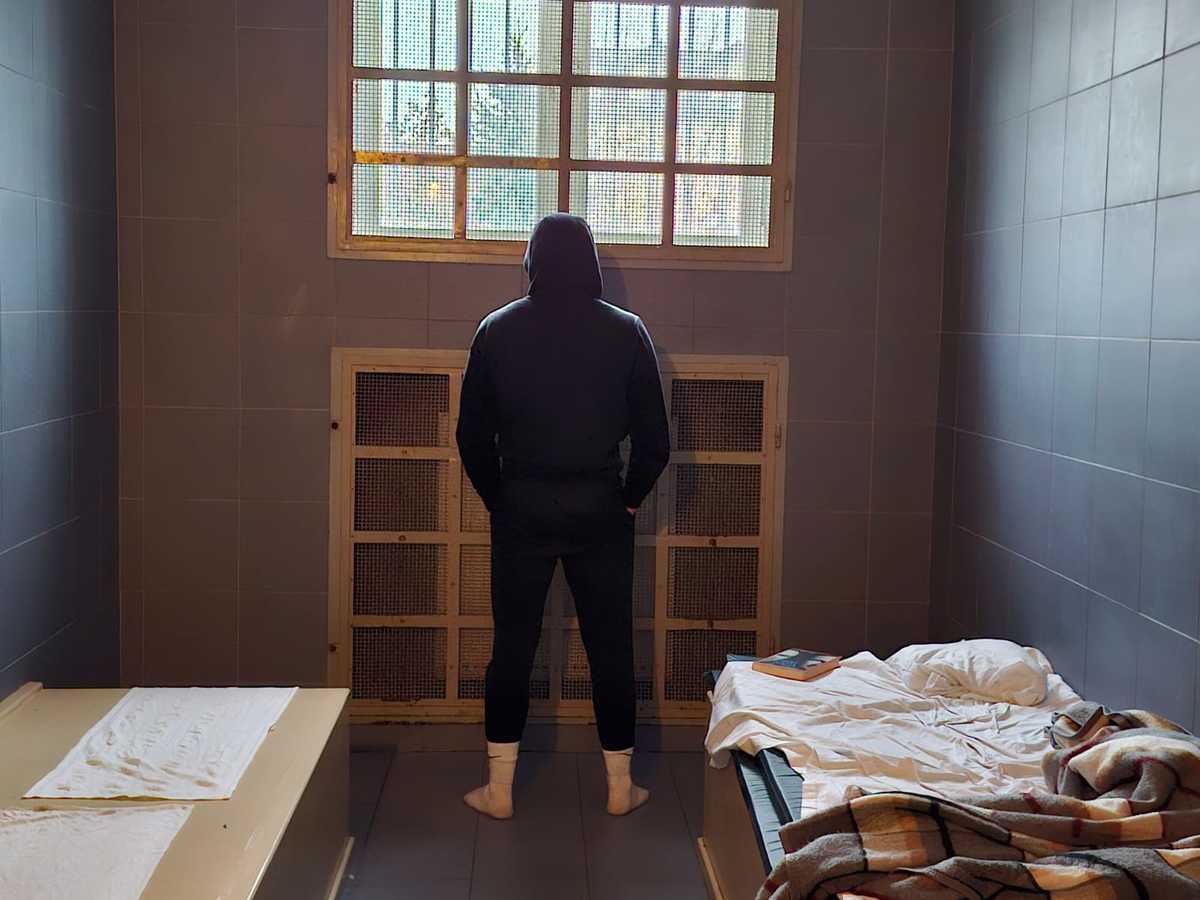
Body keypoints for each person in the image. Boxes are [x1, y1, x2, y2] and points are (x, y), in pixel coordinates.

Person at [456, 213, 671, 820]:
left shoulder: (496, 329)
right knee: (611, 647)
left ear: (532, 261)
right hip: (600, 504)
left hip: (522, 503)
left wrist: (500, 498)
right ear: (591, 263)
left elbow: (471, 436)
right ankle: (620, 787)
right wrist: (628, 498)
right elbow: (654, 441)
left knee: (512, 647)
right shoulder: (627, 331)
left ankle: (499, 790)